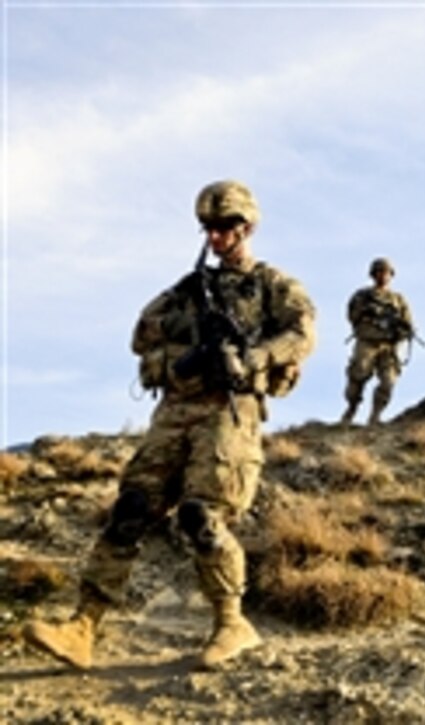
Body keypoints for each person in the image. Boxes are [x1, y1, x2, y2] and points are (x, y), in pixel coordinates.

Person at [24, 180, 316, 670]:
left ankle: (231, 623)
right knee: (132, 508)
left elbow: (302, 331)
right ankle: (82, 628)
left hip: (230, 411)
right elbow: (142, 335)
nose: (216, 236)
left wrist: (256, 356)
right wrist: (187, 352)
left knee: (203, 516)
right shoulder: (187, 290)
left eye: (225, 227)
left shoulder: (272, 284)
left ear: (246, 227)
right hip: (175, 412)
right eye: (209, 227)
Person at [340, 257, 414, 426]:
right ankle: (351, 408)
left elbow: (408, 323)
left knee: (389, 381)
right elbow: (352, 316)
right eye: (379, 272)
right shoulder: (362, 296)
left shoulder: (398, 299)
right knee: (358, 375)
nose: (383, 276)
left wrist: (401, 330)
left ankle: (375, 415)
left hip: (389, 345)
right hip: (367, 342)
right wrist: (370, 315)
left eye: (386, 272)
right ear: (373, 275)